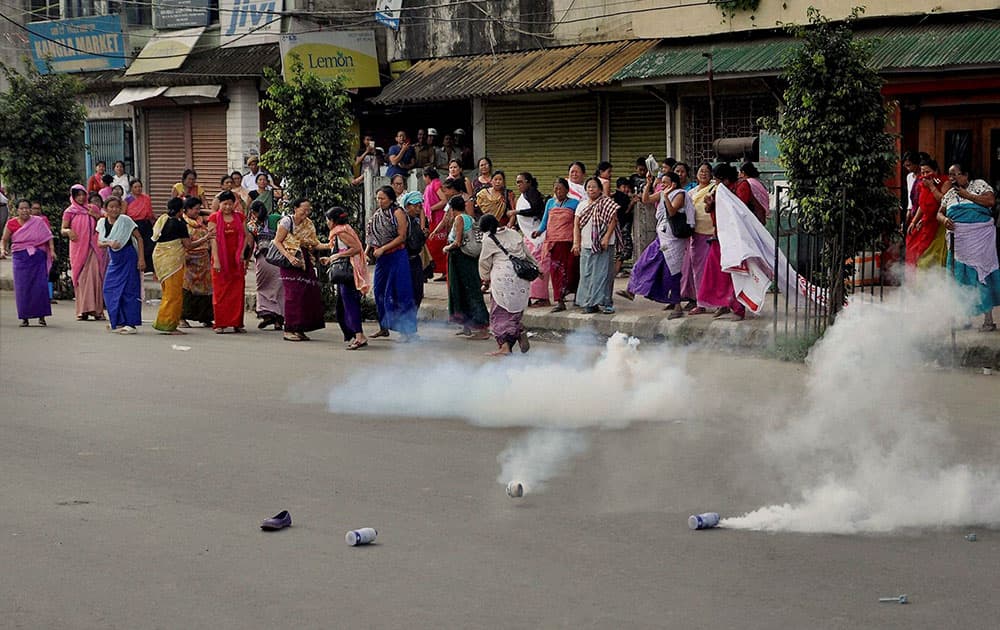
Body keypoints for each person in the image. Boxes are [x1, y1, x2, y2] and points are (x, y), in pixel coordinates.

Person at [618, 172, 692, 317]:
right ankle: (631, 290)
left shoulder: (679, 194)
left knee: (671, 272)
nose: (662, 184)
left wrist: (665, 196)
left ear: (674, 184)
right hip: (661, 238)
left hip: (672, 240)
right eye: (661, 182)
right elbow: (645, 200)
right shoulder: (664, 193)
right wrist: (648, 184)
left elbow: (672, 212)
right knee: (643, 262)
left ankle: (677, 305)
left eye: (665, 182)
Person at [939, 164, 999, 332]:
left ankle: (988, 320)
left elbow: (990, 201)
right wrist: (943, 220)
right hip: (959, 242)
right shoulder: (950, 193)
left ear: (965, 175)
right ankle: (964, 318)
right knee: (960, 279)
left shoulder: (979, 185)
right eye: (949, 175)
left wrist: (967, 195)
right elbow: (939, 212)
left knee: (982, 276)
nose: (951, 179)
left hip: (980, 241)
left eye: (954, 175)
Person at [479, 213, 536, 356]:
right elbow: (527, 253)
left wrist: (484, 280)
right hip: (521, 278)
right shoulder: (514, 233)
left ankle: (505, 346)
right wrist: (537, 267)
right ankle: (517, 330)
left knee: (499, 314)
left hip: (501, 281)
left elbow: (484, 262)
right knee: (514, 313)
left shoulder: (488, 239)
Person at [366, 185, 418, 340]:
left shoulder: (398, 213)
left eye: (382, 198)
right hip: (382, 259)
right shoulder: (377, 214)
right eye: (378, 198)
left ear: (390, 199)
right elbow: (371, 235)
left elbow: (401, 237)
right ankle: (384, 326)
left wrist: (383, 248)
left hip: (397, 255)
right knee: (379, 291)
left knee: (401, 292)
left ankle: (407, 330)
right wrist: (366, 252)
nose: (379, 201)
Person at [271, 197, 325, 341]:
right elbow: (277, 241)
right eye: (303, 210)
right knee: (292, 295)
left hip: (304, 261)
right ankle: (289, 329)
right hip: (290, 261)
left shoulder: (309, 224)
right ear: (295, 208)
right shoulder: (286, 222)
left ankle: (300, 328)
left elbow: (313, 244)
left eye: (308, 210)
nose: (306, 213)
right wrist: (289, 257)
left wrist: (329, 245)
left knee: (307, 293)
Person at [698, 163, 747, 320]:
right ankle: (723, 304)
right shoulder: (717, 189)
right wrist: (711, 203)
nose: (717, 183)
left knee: (734, 273)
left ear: (727, 179)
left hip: (734, 237)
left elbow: (739, 210)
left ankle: (739, 308)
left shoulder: (741, 187)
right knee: (716, 273)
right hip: (718, 236)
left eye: (719, 180)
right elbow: (708, 209)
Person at [152, 198, 207, 334]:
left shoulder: (163, 219)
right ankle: (167, 324)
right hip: (173, 262)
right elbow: (188, 245)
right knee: (174, 294)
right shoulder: (179, 224)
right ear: (181, 210)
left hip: (160, 259)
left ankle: (166, 322)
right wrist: (206, 238)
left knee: (168, 292)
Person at [319, 206, 370, 350]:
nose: (327, 223)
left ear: (334, 221)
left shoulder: (341, 232)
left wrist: (337, 256)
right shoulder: (342, 230)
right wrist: (331, 259)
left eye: (328, 220)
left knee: (350, 304)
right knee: (342, 306)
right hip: (346, 271)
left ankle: (359, 336)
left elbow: (355, 248)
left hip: (348, 273)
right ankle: (354, 333)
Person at [443, 195, 490, 338]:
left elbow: (457, 242)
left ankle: (482, 328)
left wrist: (446, 248)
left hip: (461, 259)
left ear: (452, 208)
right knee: (463, 291)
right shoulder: (469, 218)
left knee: (468, 291)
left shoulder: (459, 219)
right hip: (466, 259)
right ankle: (466, 325)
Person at [96, 196, 144, 334]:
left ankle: (131, 323)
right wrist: (109, 243)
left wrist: (141, 259)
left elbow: (139, 238)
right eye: (111, 207)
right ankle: (117, 321)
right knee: (109, 289)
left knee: (129, 290)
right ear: (105, 209)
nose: (114, 209)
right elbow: (100, 243)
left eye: (117, 207)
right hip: (115, 260)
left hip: (128, 257)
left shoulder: (126, 221)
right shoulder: (102, 222)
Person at [573, 177, 621, 314]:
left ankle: (606, 303)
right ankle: (589, 303)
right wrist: (576, 242)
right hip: (586, 244)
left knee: (604, 274)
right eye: (588, 187)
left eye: (594, 187)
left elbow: (613, 221)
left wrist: (606, 237)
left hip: (604, 244)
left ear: (600, 189)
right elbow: (576, 225)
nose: (591, 189)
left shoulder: (607, 203)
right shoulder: (581, 205)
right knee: (587, 275)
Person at [1, 199, 52, 326]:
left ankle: (41, 316)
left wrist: (52, 251)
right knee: (23, 288)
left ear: (30, 209)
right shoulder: (11, 223)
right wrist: (2, 249)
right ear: (17, 210)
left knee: (40, 286)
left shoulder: (38, 222)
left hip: (37, 257)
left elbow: (48, 237)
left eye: (27, 208)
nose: (24, 211)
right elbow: (4, 239)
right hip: (20, 258)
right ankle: (25, 318)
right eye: (21, 208)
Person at [61, 184, 107, 321]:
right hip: (78, 248)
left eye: (83, 194)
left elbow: (106, 221)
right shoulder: (69, 211)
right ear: (73, 197)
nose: (81, 197)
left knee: (95, 277)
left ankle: (97, 310)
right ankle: (82, 310)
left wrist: (96, 216)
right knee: (81, 278)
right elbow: (63, 229)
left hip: (94, 248)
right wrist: (68, 231)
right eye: (77, 195)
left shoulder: (92, 208)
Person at [208, 190, 252, 333]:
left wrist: (242, 253)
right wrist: (216, 260)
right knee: (220, 292)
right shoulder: (214, 218)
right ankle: (220, 323)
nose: (227, 207)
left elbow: (246, 236)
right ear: (219, 204)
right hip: (221, 259)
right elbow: (213, 240)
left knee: (237, 292)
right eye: (224, 204)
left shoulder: (240, 217)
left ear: (235, 204)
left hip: (236, 260)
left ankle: (237, 323)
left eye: (230, 204)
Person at [534, 178, 580, 312]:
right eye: (555, 189)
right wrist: (539, 231)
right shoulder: (550, 203)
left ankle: (576, 294)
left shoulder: (575, 203)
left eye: (560, 188)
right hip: (554, 243)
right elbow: (545, 221)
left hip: (569, 243)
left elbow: (578, 223)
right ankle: (559, 301)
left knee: (572, 270)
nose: (557, 191)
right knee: (556, 272)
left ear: (567, 190)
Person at [683, 162, 716, 313]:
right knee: (698, 270)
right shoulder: (692, 191)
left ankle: (717, 302)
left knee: (714, 269)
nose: (703, 174)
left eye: (706, 171)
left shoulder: (715, 188)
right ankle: (700, 302)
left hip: (712, 233)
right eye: (701, 171)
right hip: (696, 233)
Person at [513, 172, 549, 307]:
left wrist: (517, 212)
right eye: (517, 182)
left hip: (538, 237)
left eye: (520, 182)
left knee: (539, 266)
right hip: (529, 236)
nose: (518, 185)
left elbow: (535, 210)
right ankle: (531, 296)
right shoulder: (523, 196)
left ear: (528, 182)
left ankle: (542, 297)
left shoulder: (532, 193)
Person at [907, 157, 950, 268]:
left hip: (939, 225)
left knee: (931, 257)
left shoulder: (945, 182)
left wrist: (932, 186)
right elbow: (922, 205)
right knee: (915, 251)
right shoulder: (922, 185)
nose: (925, 175)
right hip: (926, 223)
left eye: (928, 172)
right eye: (923, 172)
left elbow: (943, 201)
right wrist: (914, 221)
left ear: (935, 171)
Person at [247, 199, 283, 330]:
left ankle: (267, 314)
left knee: (263, 287)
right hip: (278, 258)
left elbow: (250, 244)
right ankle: (279, 319)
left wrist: (245, 261)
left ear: (253, 212)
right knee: (279, 289)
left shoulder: (251, 225)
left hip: (263, 259)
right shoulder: (277, 218)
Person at [180, 197, 215, 328]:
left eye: (198, 209)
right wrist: (205, 238)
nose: (197, 211)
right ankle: (182, 317)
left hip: (203, 259)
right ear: (187, 210)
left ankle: (205, 317)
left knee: (206, 288)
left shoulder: (201, 221)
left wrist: (201, 211)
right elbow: (187, 245)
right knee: (188, 289)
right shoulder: (183, 223)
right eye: (194, 209)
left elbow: (214, 213)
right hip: (189, 259)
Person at [401, 191, 428, 307]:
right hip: (404, 259)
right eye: (415, 206)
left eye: (419, 206)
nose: (418, 209)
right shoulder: (403, 221)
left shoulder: (416, 221)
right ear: (407, 206)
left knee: (417, 290)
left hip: (415, 259)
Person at [125, 179, 155, 272]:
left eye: (139, 187)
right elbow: (124, 213)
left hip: (146, 224)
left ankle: (149, 268)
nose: (138, 189)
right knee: (136, 246)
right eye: (135, 187)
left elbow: (150, 213)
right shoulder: (127, 200)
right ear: (131, 188)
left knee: (150, 245)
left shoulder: (146, 198)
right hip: (133, 225)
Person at [612, 176, 636, 278]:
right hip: (623, 228)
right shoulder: (621, 197)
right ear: (618, 187)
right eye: (623, 186)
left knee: (621, 251)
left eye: (627, 187)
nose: (626, 189)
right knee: (625, 250)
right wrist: (631, 203)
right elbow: (624, 213)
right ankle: (615, 272)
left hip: (621, 228)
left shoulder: (618, 196)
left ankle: (616, 271)